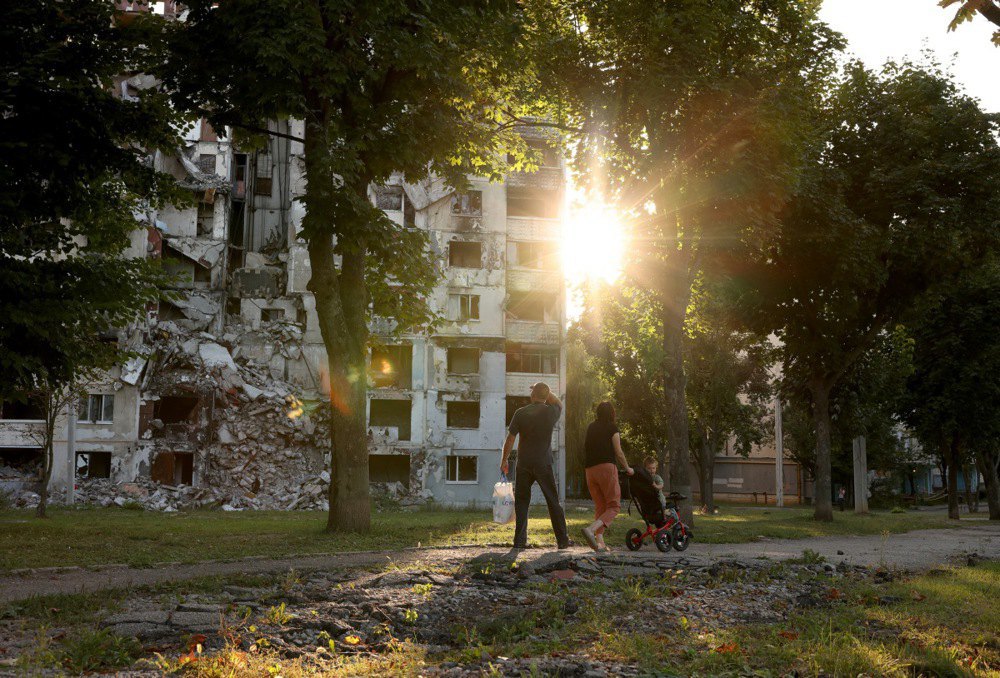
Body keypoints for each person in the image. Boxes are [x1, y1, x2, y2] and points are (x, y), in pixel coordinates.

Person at [501, 382, 569, 550]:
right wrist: (547, 393)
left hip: (524, 463)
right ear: (546, 397)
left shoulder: (520, 413)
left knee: (522, 502)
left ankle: (519, 542)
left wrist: (504, 460)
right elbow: (559, 403)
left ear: (532, 396)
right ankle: (562, 541)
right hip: (543, 463)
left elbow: (510, 438)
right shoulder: (551, 412)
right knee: (553, 501)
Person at [581, 401, 633, 552]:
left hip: (590, 470)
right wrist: (628, 468)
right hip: (606, 468)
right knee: (614, 506)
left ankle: (600, 543)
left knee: (601, 507)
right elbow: (618, 452)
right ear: (612, 413)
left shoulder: (591, 427)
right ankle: (591, 530)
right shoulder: (612, 427)